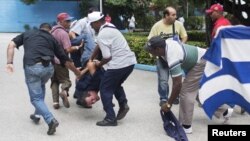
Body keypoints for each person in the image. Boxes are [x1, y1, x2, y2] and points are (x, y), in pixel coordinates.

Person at [6, 23, 82, 135]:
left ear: (39, 28)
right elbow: (65, 60)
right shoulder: (51, 38)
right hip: (48, 69)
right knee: (41, 86)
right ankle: (37, 114)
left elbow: (11, 45)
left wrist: (9, 62)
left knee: (35, 98)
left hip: (32, 67)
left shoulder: (28, 33)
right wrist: (76, 72)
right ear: (50, 31)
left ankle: (50, 120)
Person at [144, 36, 207, 134]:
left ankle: (186, 126)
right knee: (195, 93)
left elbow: (177, 85)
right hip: (193, 63)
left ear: (158, 49)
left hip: (200, 62)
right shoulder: (165, 45)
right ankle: (224, 111)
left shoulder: (172, 55)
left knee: (186, 92)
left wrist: (169, 104)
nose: (150, 53)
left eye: (151, 51)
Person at [88, 11, 137, 126]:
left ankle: (110, 118)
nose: (91, 26)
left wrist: (98, 64)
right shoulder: (110, 26)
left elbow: (107, 57)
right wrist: (91, 58)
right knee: (115, 85)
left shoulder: (102, 34)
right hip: (129, 63)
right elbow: (99, 45)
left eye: (91, 24)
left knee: (105, 89)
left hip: (118, 65)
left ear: (97, 22)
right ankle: (123, 104)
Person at [148, 6, 188, 107]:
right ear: (166, 15)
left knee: (176, 79)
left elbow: (184, 36)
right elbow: (150, 41)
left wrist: (180, 45)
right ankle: (163, 98)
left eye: (175, 14)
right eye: (173, 15)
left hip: (175, 57)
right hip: (162, 58)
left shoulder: (178, 24)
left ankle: (175, 97)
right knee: (163, 80)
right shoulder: (157, 26)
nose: (176, 16)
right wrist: (153, 54)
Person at [206, 3, 234, 120]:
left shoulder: (220, 26)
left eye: (212, 13)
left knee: (216, 81)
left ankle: (228, 105)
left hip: (220, 58)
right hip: (226, 57)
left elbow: (217, 45)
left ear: (217, 12)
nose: (210, 15)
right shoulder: (226, 22)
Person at [50, 12, 83, 109]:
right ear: (60, 22)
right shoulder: (63, 33)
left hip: (51, 61)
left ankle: (55, 102)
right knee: (66, 81)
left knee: (54, 81)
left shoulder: (52, 31)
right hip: (61, 61)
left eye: (69, 20)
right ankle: (64, 91)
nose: (69, 23)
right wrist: (78, 47)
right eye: (67, 21)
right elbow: (68, 49)